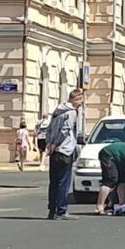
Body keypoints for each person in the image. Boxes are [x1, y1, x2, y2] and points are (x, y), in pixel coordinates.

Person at [46, 88, 83, 220]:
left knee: (54, 182)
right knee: (63, 182)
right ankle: (61, 211)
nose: (81, 104)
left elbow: (49, 128)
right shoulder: (71, 112)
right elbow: (65, 130)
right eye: (80, 100)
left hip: (54, 151)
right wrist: (56, 143)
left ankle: (52, 209)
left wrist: (49, 143)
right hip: (65, 150)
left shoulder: (58, 110)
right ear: (75, 99)